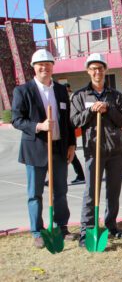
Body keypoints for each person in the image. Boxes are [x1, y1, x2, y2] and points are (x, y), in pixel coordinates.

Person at [11, 49, 77, 248]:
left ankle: (61, 227)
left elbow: (67, 121)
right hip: (36, 150)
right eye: (40, 64)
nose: (44, 67)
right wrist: (38, 126)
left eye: (48, 64)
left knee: (61, 190)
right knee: (35, 193)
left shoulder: (60, 90)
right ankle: (37, 231)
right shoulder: (23, 91)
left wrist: (72, 144)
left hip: (58, 148)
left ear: (52, 67)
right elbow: (17, 119)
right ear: (33, 67)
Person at [70, 53, 122, 247]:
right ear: (88, 71)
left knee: (114, 192)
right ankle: (87, 230)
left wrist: (108, 109)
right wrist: (91, 111)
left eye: (100, 68)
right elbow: (74, 121)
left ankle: (111, 225)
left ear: (105, 70)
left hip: (115, 151)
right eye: (93, 68)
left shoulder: (116, 95)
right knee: (90, 192)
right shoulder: (80, 96)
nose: (97, 71)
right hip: (92, 150)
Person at [65, 83, 85, 184]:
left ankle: (54, 179)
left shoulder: (70, 102)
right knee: (71, 157)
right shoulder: (64, 101)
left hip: (68, 132)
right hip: (66, 132)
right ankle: (81, 175)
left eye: (68, 90)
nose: (68, 92)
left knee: (70, 156)